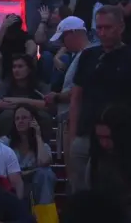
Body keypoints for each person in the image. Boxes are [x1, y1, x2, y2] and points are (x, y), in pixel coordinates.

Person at [67, 4, 131, 195]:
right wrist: (73, 137)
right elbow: (76, 99)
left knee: (116, 193)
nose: (102, 32)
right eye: (99, 28)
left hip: (119, 140)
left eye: (107, 27)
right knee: (82, 195)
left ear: (121, 27)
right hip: (86, 135)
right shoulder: (88, 56)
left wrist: (130, 134)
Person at [47, 15, 91, 157]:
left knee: (75, 170)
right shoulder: (81, 56)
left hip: (75, 122)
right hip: (71, 120)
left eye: (63, 38)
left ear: (72, 33)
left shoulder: (86, 56)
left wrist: (57, 97)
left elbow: (82, 90)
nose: (63, 44)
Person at [0, 105, 57, 210]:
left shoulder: (42, 144)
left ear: (33, 120)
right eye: (17, 118)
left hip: (35, 183)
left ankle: (45, 218)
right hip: (12, 182)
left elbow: (44, 162)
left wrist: (38, 135)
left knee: (46, 173)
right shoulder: (5, 142)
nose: (20, 121)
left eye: (24, 118)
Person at [0, 54, 51, 139]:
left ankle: (43, 146)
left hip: (35, 113)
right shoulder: (6, 84)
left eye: (20, 66)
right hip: (12, 114)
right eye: (14, 67)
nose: (16, 70)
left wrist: (19, 101)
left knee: (44, 117)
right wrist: (31, 103)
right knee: (6, 115)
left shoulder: (40, 85)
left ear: (29, 69)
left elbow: (47, 105)